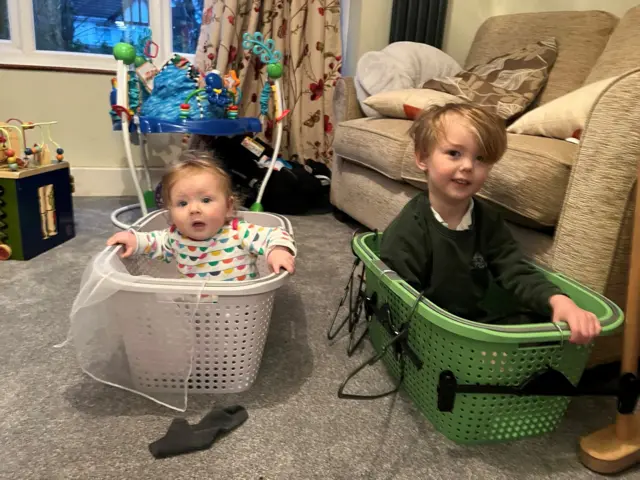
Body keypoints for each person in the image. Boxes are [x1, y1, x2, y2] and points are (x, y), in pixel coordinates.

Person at [380, 103, 600, 344]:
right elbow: (399, 295)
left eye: (481, 158)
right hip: (430, 330)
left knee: (536, 322)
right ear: (423, 158)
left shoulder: (488, 220)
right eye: (454, 153)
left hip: (475, 321)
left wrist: (559, 301)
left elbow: (514, 269)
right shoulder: (409, 228)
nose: (467, 166)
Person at [107, 150, 296, 281]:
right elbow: (151, 241)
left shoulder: (239, 232)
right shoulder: (174, 237)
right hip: (196, 313)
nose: (194, 209)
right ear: (170, 212)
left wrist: (277, 250)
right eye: (182, 203)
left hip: (238, 312)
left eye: (206, 201)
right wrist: (133, 240)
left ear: (228, 207)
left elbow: (276, 234)